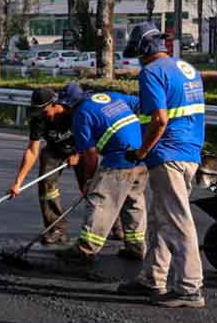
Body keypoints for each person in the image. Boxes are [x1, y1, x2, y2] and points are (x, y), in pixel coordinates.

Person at [125, 23, 207, 309]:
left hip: (168, 153)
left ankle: (189, 286)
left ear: (143, 49)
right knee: (163, 218)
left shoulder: (151, 72)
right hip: (190, 152)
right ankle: (152, 277)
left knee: (176, 219)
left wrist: (141, 151)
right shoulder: (187, 69)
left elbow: (159, 119)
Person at [48, 82, 147, 268]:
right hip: (141, 154)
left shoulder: (81, 115)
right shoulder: (111, 96)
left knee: (100, 202)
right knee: (133, 202)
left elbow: (90, 154)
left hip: (119, 160)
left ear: (69, 104)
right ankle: (136, 248)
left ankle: (85, 250)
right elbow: (140, 104)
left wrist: (89, 181)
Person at [7, 86, 84, 244]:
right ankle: (56, 229)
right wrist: (18, 183)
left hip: (81, 148)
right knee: (46, 187)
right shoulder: (38, 118)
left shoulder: (73, 112)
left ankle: (112, 226)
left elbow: (92, 135)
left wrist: (78, 153)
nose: (41, 114)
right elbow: (32, 151)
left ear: (55, 104)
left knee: (91, 187)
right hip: (54, 150)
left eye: (44, 110)